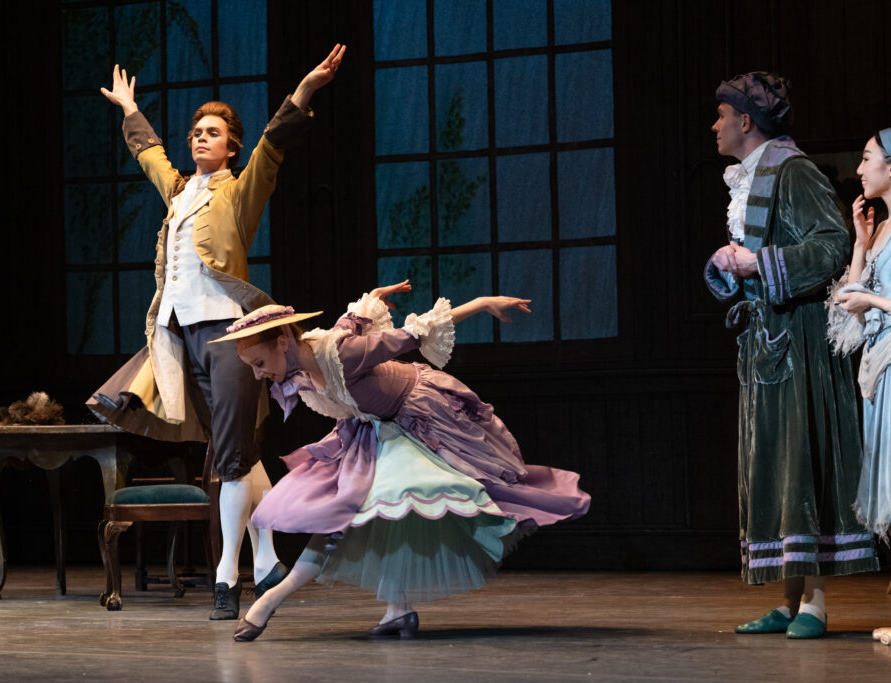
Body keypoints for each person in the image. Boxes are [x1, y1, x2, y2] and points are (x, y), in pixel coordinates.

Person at [88, 45, 346, 620]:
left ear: (231, 145)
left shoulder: (239, 190)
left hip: (232, 335)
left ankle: (228, 576)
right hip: (179, 335)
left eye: (212, 133)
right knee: (237, 456)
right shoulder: (180, 192)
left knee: (228, 460)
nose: (200, 139)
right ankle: (270, 557)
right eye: (196, 132)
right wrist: (129, 108)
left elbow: (274, 144)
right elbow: (149, 154)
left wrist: (303, 91)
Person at [212, 281, 591, 641]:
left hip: (419, 417)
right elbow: (354, 317)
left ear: (282, 342)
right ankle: (397, 610)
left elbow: (415, 333)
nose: (259, 374)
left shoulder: (340, 354)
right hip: (372, 429)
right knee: (346, 511)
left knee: (399, 503)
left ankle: (270, 600)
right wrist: (374, 297)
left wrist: (480, 304)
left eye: (260, 362)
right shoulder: (302, 363)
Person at [704, 71, 878, 639]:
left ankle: (816, 603)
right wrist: (731, 266)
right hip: (765, 343)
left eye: (722, 115)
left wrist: (759, 264)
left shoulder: (794, 170)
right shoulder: (752, 177)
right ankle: (787, 597)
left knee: (802, 463)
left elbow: (831, 246)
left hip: (799, 341)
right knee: (775, 466)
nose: (715, 125)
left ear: (746, 121)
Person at [829, 127, 891, 646]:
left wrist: (872, 302)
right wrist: (859, 243)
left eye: (868, 158)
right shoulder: (884, 229)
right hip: (878, 369)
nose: (860, 168)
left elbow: (869, 303)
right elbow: (845, 311)